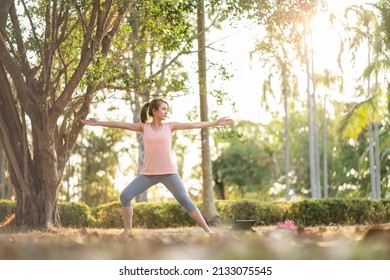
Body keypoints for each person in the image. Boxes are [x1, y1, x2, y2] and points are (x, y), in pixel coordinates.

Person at [81, 98, 233, 235]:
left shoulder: (170, 126)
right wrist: (98, 122)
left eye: (167, 109)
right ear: (154, 111)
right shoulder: (144, 127)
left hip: (169, 173)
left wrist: (215, 122)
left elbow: (194, 124)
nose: (166, 112)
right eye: (163, 109)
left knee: (185, 201)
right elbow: (120, 125)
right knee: (125, 196)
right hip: (148, 174)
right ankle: (128, 231)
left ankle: (207, 230)